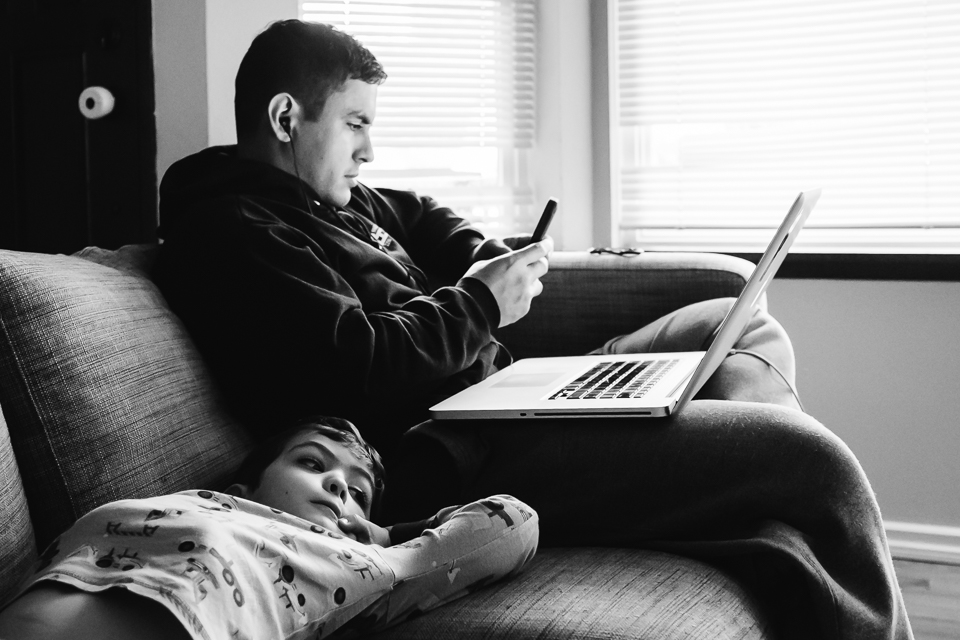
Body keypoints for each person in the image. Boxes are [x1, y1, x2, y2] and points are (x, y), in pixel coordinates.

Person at [153, 19, 914, 640]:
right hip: (454, 455)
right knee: (815, 464)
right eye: (355, 124)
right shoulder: (232, 231)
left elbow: (418, 214)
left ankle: (731, 490)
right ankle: (755, 489)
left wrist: (490, 260)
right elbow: (357, 364)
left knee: (733, 321)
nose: (369, 149)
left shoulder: (335, 199)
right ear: (287, 117)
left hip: (504, 399)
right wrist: (479, 305)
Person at [0, 417, 539, 640]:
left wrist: (373, 535)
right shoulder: (198, 502)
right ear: (243, 490)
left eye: (357, 492)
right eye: (311, 463)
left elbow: (514, 522)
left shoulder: (363, 569)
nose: (337, 487)